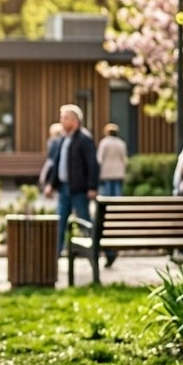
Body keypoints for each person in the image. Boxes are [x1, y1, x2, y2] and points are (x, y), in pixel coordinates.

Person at [43, 104, 99, 258]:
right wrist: (51, 184)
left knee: (85, 222)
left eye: (65, 118)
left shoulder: (84, 139)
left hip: (79, 190)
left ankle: (100, 253)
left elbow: (92, 164)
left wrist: (92, 187)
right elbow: (58, 163)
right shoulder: (63, 139)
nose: (61, 121)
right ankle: (55, 256)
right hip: (64, 189)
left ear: (75, 121)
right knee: (60, 222)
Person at [96, 123, 129, 268]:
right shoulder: (121, 144)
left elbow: (99, 158)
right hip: (118, 172)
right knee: (116, 195)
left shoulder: (104, 143)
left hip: (107, 172)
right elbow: (124, 159)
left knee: (107, 196)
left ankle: (109, 209)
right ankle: (117, 209)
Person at [37, 121, 64, 188]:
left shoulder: (54, 140)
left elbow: (52, 152)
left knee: (45, 174)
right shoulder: (61, 139)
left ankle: (45, 185)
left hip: (52, 160)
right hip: (55, 160)